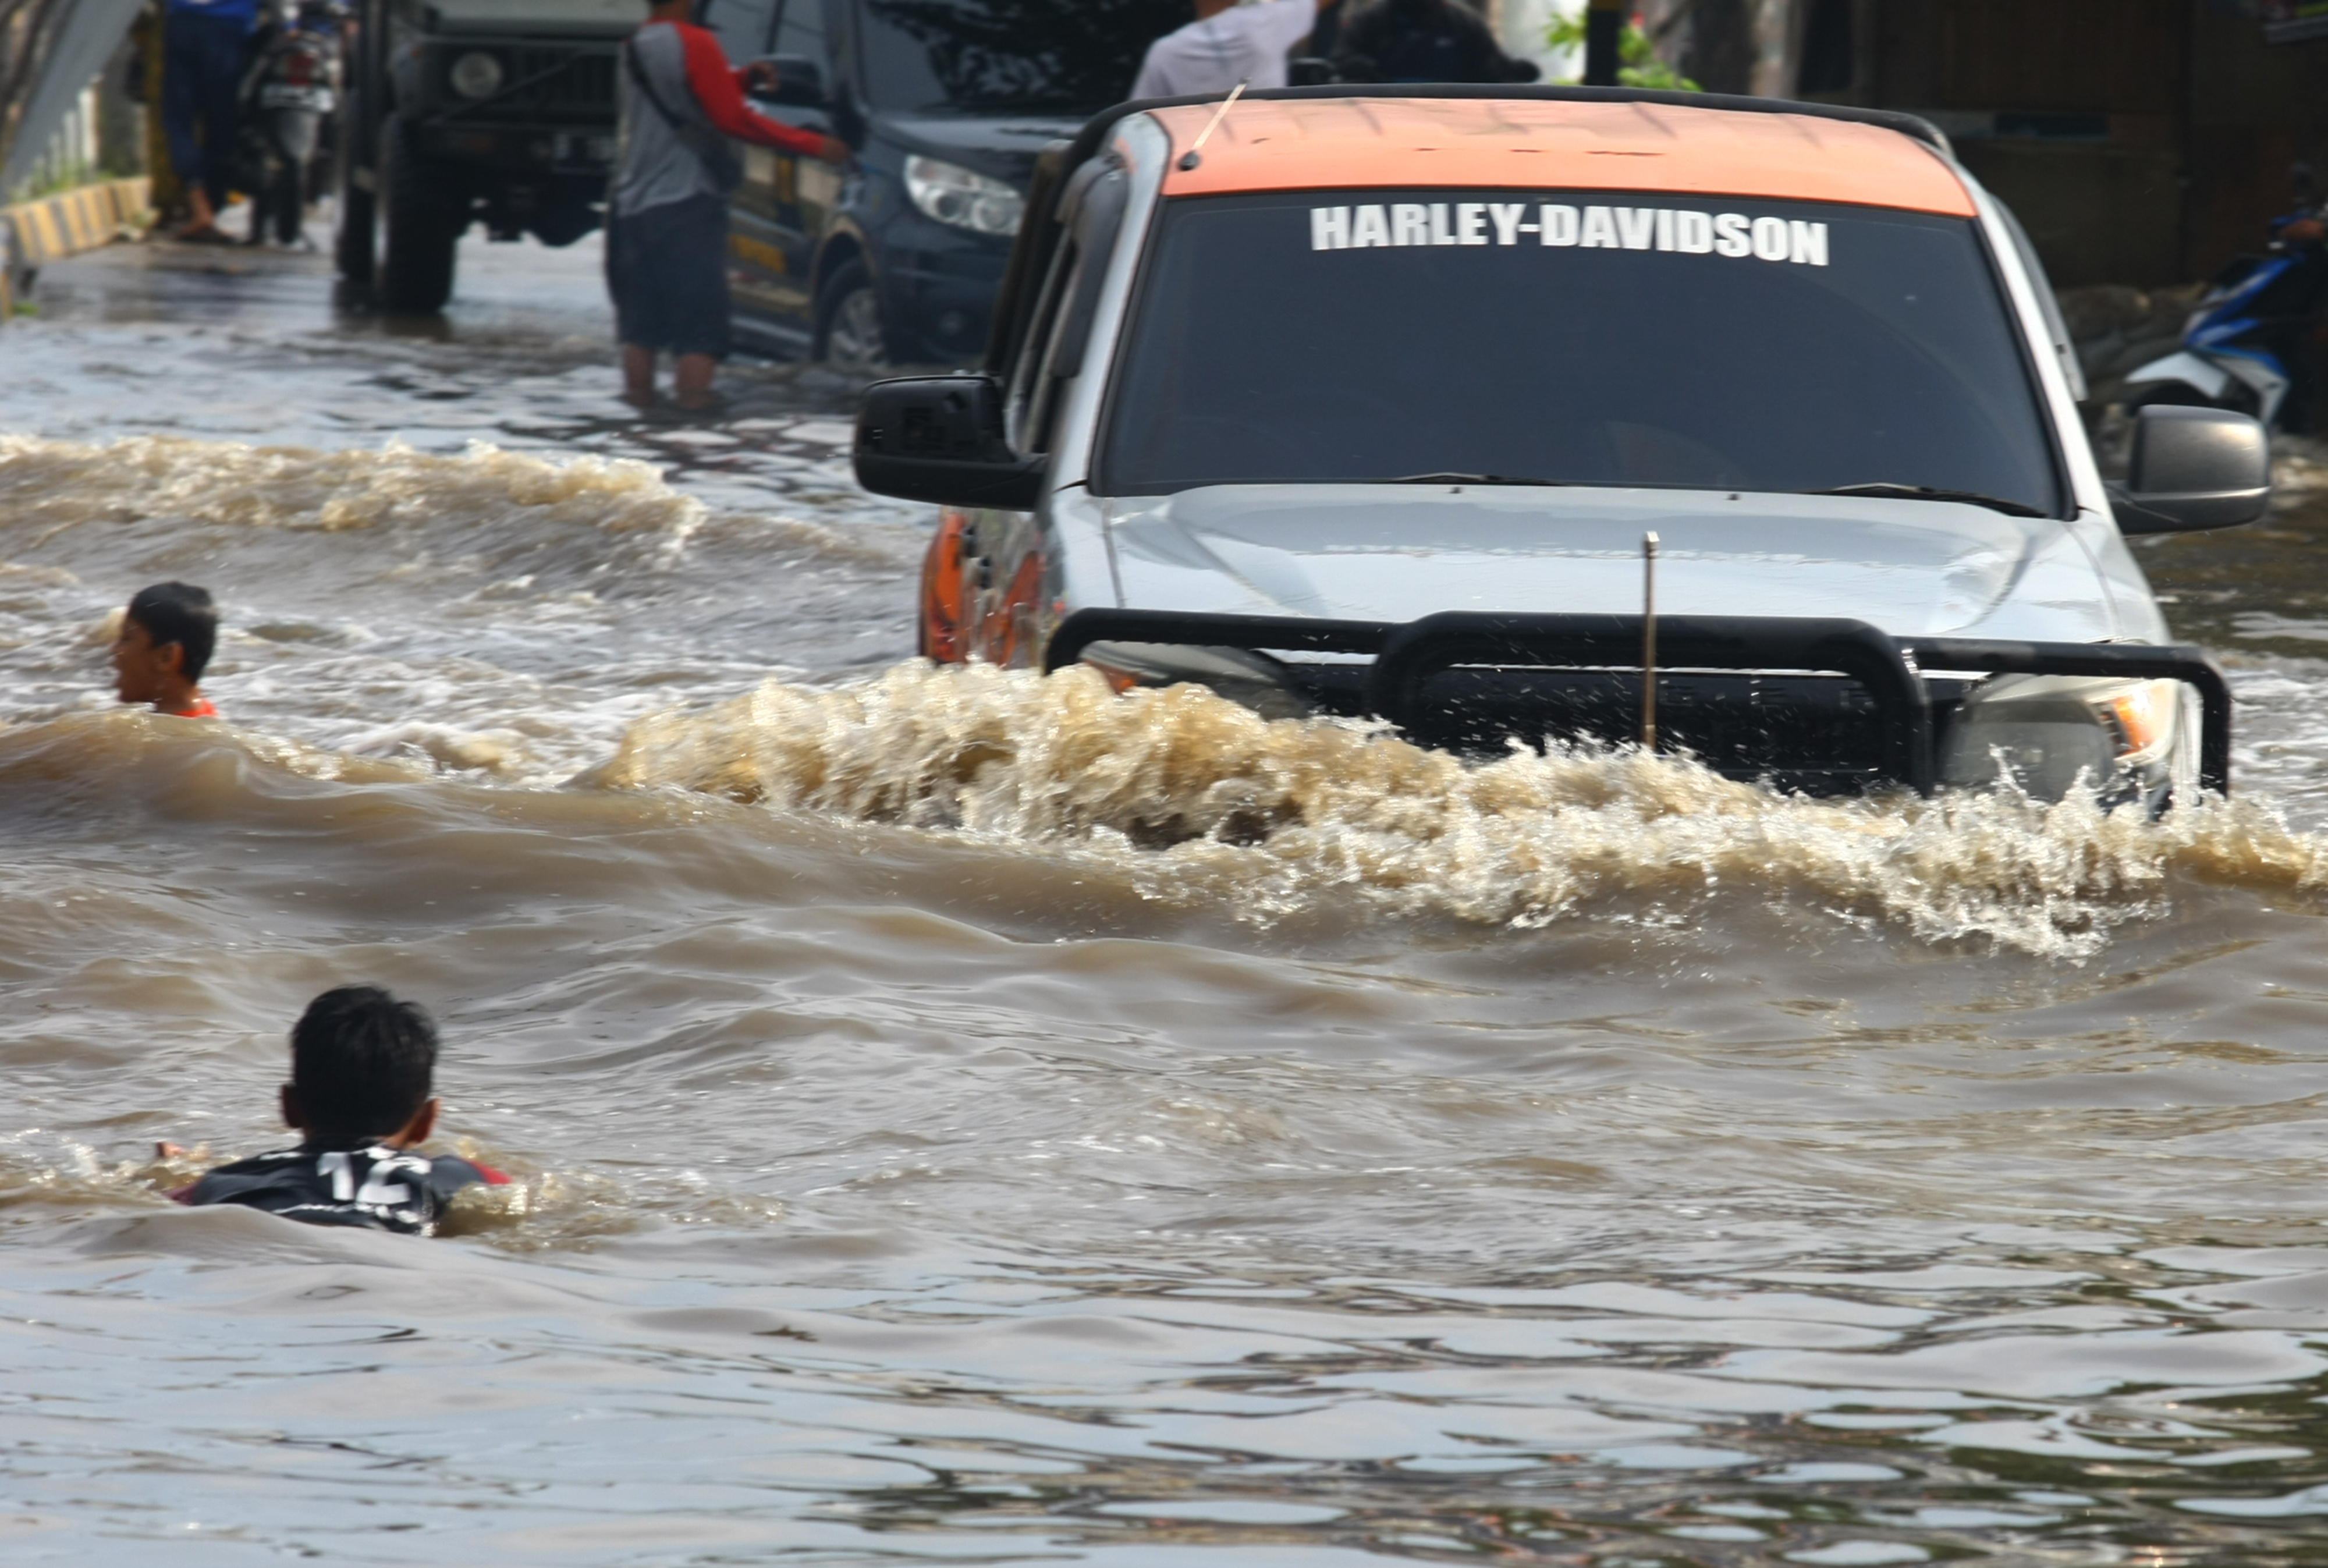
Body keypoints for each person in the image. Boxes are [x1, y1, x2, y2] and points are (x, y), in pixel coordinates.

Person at [611, 0, 850, 411]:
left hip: (632, 207)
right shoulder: (696, 42)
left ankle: (641, 420)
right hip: (685, 205)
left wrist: (741, 79)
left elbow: (684, 93)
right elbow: (733, 120)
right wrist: (817, 145)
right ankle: (692, 430)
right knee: (701, 334)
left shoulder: (634, 46)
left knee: (641, 330)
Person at [177, 987, 509, 1235]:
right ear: (427, 1121)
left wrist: (177, 1170)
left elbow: (166, 1204)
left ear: (289, 1107)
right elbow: (516, 1193)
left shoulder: (225, 1182)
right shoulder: (456, 1177)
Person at [162, 0, 258, 242]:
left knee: (179, 119)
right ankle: (211, 211)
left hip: (182, 23)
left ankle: (200, 204)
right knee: (222, 123)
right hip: (229, 28)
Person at [1132, 0, 1335, 100]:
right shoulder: (1266, 23)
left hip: (1192, 167)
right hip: (1269, 154)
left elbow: (1135, 124)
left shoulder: (1165, 54)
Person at [1330, 0, 1539, 83]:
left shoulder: (1463, 23)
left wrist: (1512, 72)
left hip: (1456, 116)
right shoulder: (1371, 20)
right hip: (1379, 110)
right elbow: (1341, 60)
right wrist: (1357, 67)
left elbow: (1490, 68)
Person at [111, 582, 220, 718]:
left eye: (127, 638)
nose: (115, 650)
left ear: (166, 657)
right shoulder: (204, 712)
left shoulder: (175, 737)